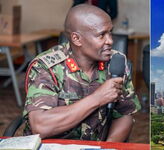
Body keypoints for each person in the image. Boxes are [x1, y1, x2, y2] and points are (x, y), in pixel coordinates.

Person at [22, 4, 140, 142]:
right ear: (76, 39)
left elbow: (125, 114)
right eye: (101, 35)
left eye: (110, 33)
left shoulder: (116, 62)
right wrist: (98, 98)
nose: (110, 41)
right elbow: (41, 126)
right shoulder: (46, 66)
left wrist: (108, 146)